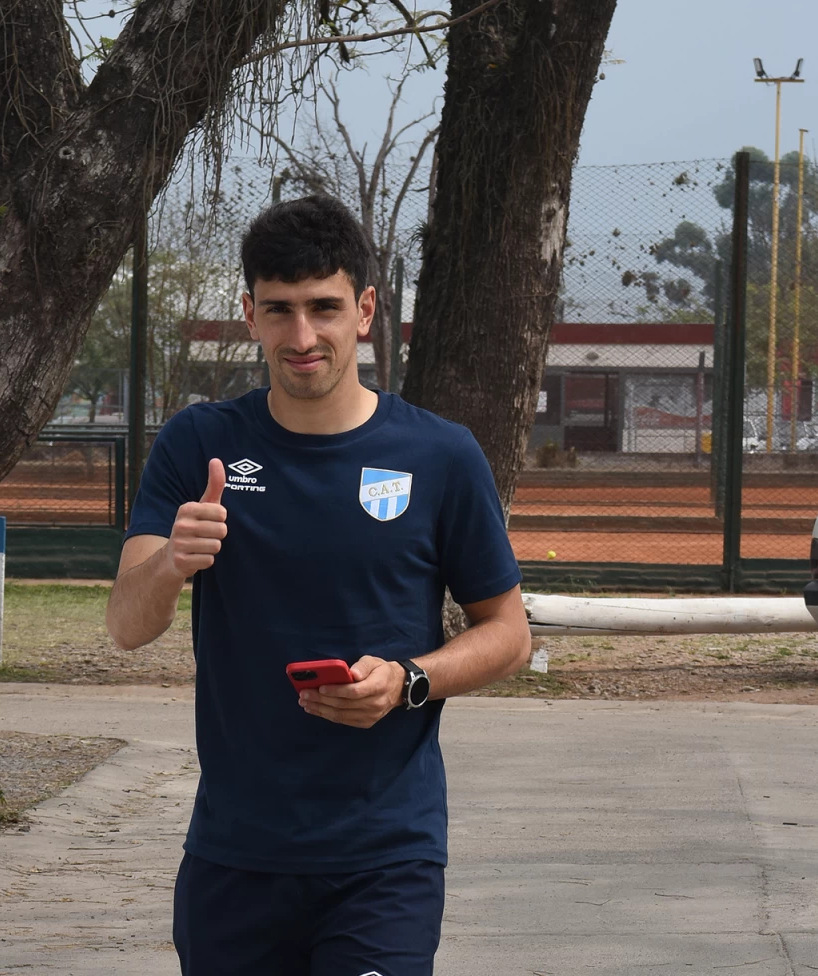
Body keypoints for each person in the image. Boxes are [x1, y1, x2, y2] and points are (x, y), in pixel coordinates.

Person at [105, 194, 530, 975]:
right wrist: (171, 563)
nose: (303, 337)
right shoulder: (201, 445)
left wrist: (410, 681)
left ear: (364, 311)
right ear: (250, 314)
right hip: (236, 855)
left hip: (384, 856)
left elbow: (509, 632)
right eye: (280, 310)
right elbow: (128, 626)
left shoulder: (440, 455)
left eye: (324, 308)